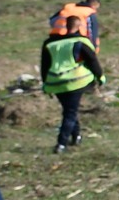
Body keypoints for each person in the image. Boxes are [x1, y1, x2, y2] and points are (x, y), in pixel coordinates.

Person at [41, 14, 104, 153]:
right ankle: (61, 144)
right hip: (75, 82)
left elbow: (44, 65)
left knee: (69, 110)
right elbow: (92, 60)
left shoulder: (50, 43)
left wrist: (45, 83)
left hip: (55, 82)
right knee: (70, 113)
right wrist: (100, 77)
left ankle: (76, 137)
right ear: (79, 26)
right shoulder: (81, 41)